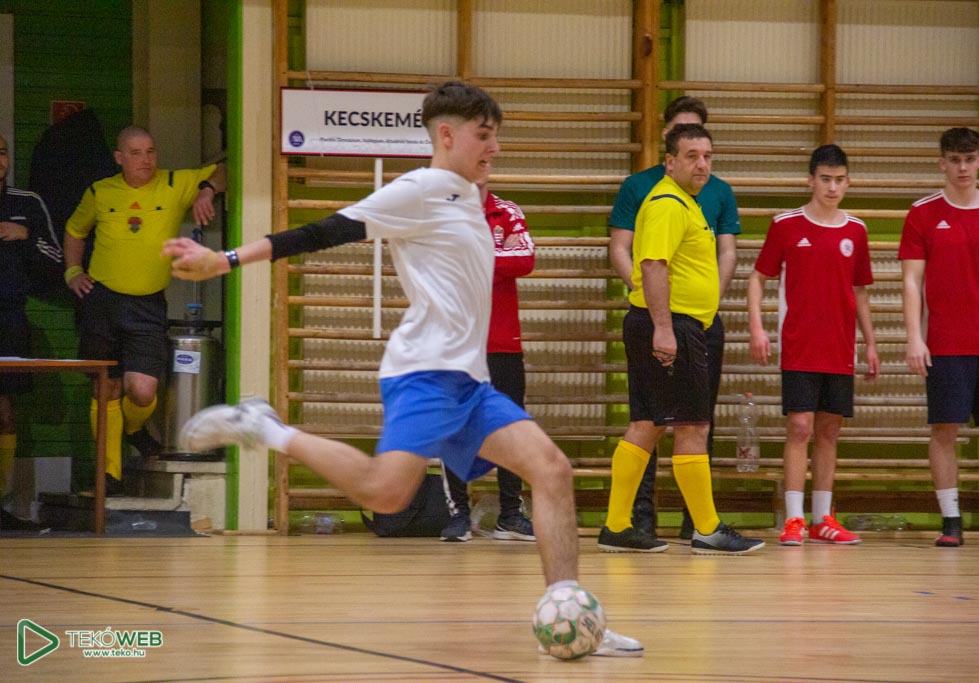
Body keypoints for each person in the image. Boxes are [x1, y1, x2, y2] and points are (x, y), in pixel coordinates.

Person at [162, 81, 642, 657]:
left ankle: (575, 616)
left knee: (552, 470)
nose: (495, 147)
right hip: (425, 373)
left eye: (496, 136)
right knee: (386, 494)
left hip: (470, 382)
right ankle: (265, 427)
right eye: (484, 135)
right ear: (447, 135)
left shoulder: (470, 196)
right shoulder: (418, 189)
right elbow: (321, 232)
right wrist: (225, 259)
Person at [597, 123, 764, 555]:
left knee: (648, 425)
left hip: (671, 323)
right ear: (669, 162)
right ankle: (707, 529)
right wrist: (665, 329)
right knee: (692, 425)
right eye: (692, 156)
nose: (702, 164)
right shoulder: (669, 203)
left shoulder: (685, 203)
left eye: (707, 156)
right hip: (672, 325)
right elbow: (652, 265)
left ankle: (617, 526)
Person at [64, 126, 226, 495]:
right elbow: (75, 230)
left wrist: (206, 190)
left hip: (147, 304)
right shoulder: (99, 191)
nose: (145, 159)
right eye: (135, 153)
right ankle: (109, 474)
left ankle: (134, 429)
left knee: (141, 390)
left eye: (150, 151)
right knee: (105, 387)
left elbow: (225, 171)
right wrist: (72, 272)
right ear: (119, 158)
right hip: (101, 301)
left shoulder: (173, 183)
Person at [748, 144, 879, 546]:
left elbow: (860, 291)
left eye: (839, 180)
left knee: (829, 430)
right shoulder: (785, 225)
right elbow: (757, 278)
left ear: (848, 182)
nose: (832, 187)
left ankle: (823, 518)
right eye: (825, 179)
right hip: (800, 345)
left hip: (840, 347)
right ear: (811, 180)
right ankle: (793, 519)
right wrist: (757, 327)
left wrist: (870, 343)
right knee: (800, 427)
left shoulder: (856, 230)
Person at [899, 127, 979, 547]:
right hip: (946, 342)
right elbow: (911, 281)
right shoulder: (922, 213)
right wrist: (914, 337)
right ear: (942, 163)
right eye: (955, 160)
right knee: (944, 430)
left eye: (970, 159)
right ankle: (951, 521)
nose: (963, 167)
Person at [440, 177, 536, 543]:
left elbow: (525, 260)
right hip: (456, 343)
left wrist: (474, 257)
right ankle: (459, 514)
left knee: (509, 428)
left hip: (502, 342)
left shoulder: (507, 212)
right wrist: (496, 255)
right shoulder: (442, 211)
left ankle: (510, 514)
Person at [0, 132, 63, 527]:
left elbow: (56, 258)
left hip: (9, 317)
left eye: (2, 152)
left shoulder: (27, 203)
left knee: (4, 412)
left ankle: (1, 503)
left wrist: (24, 236)